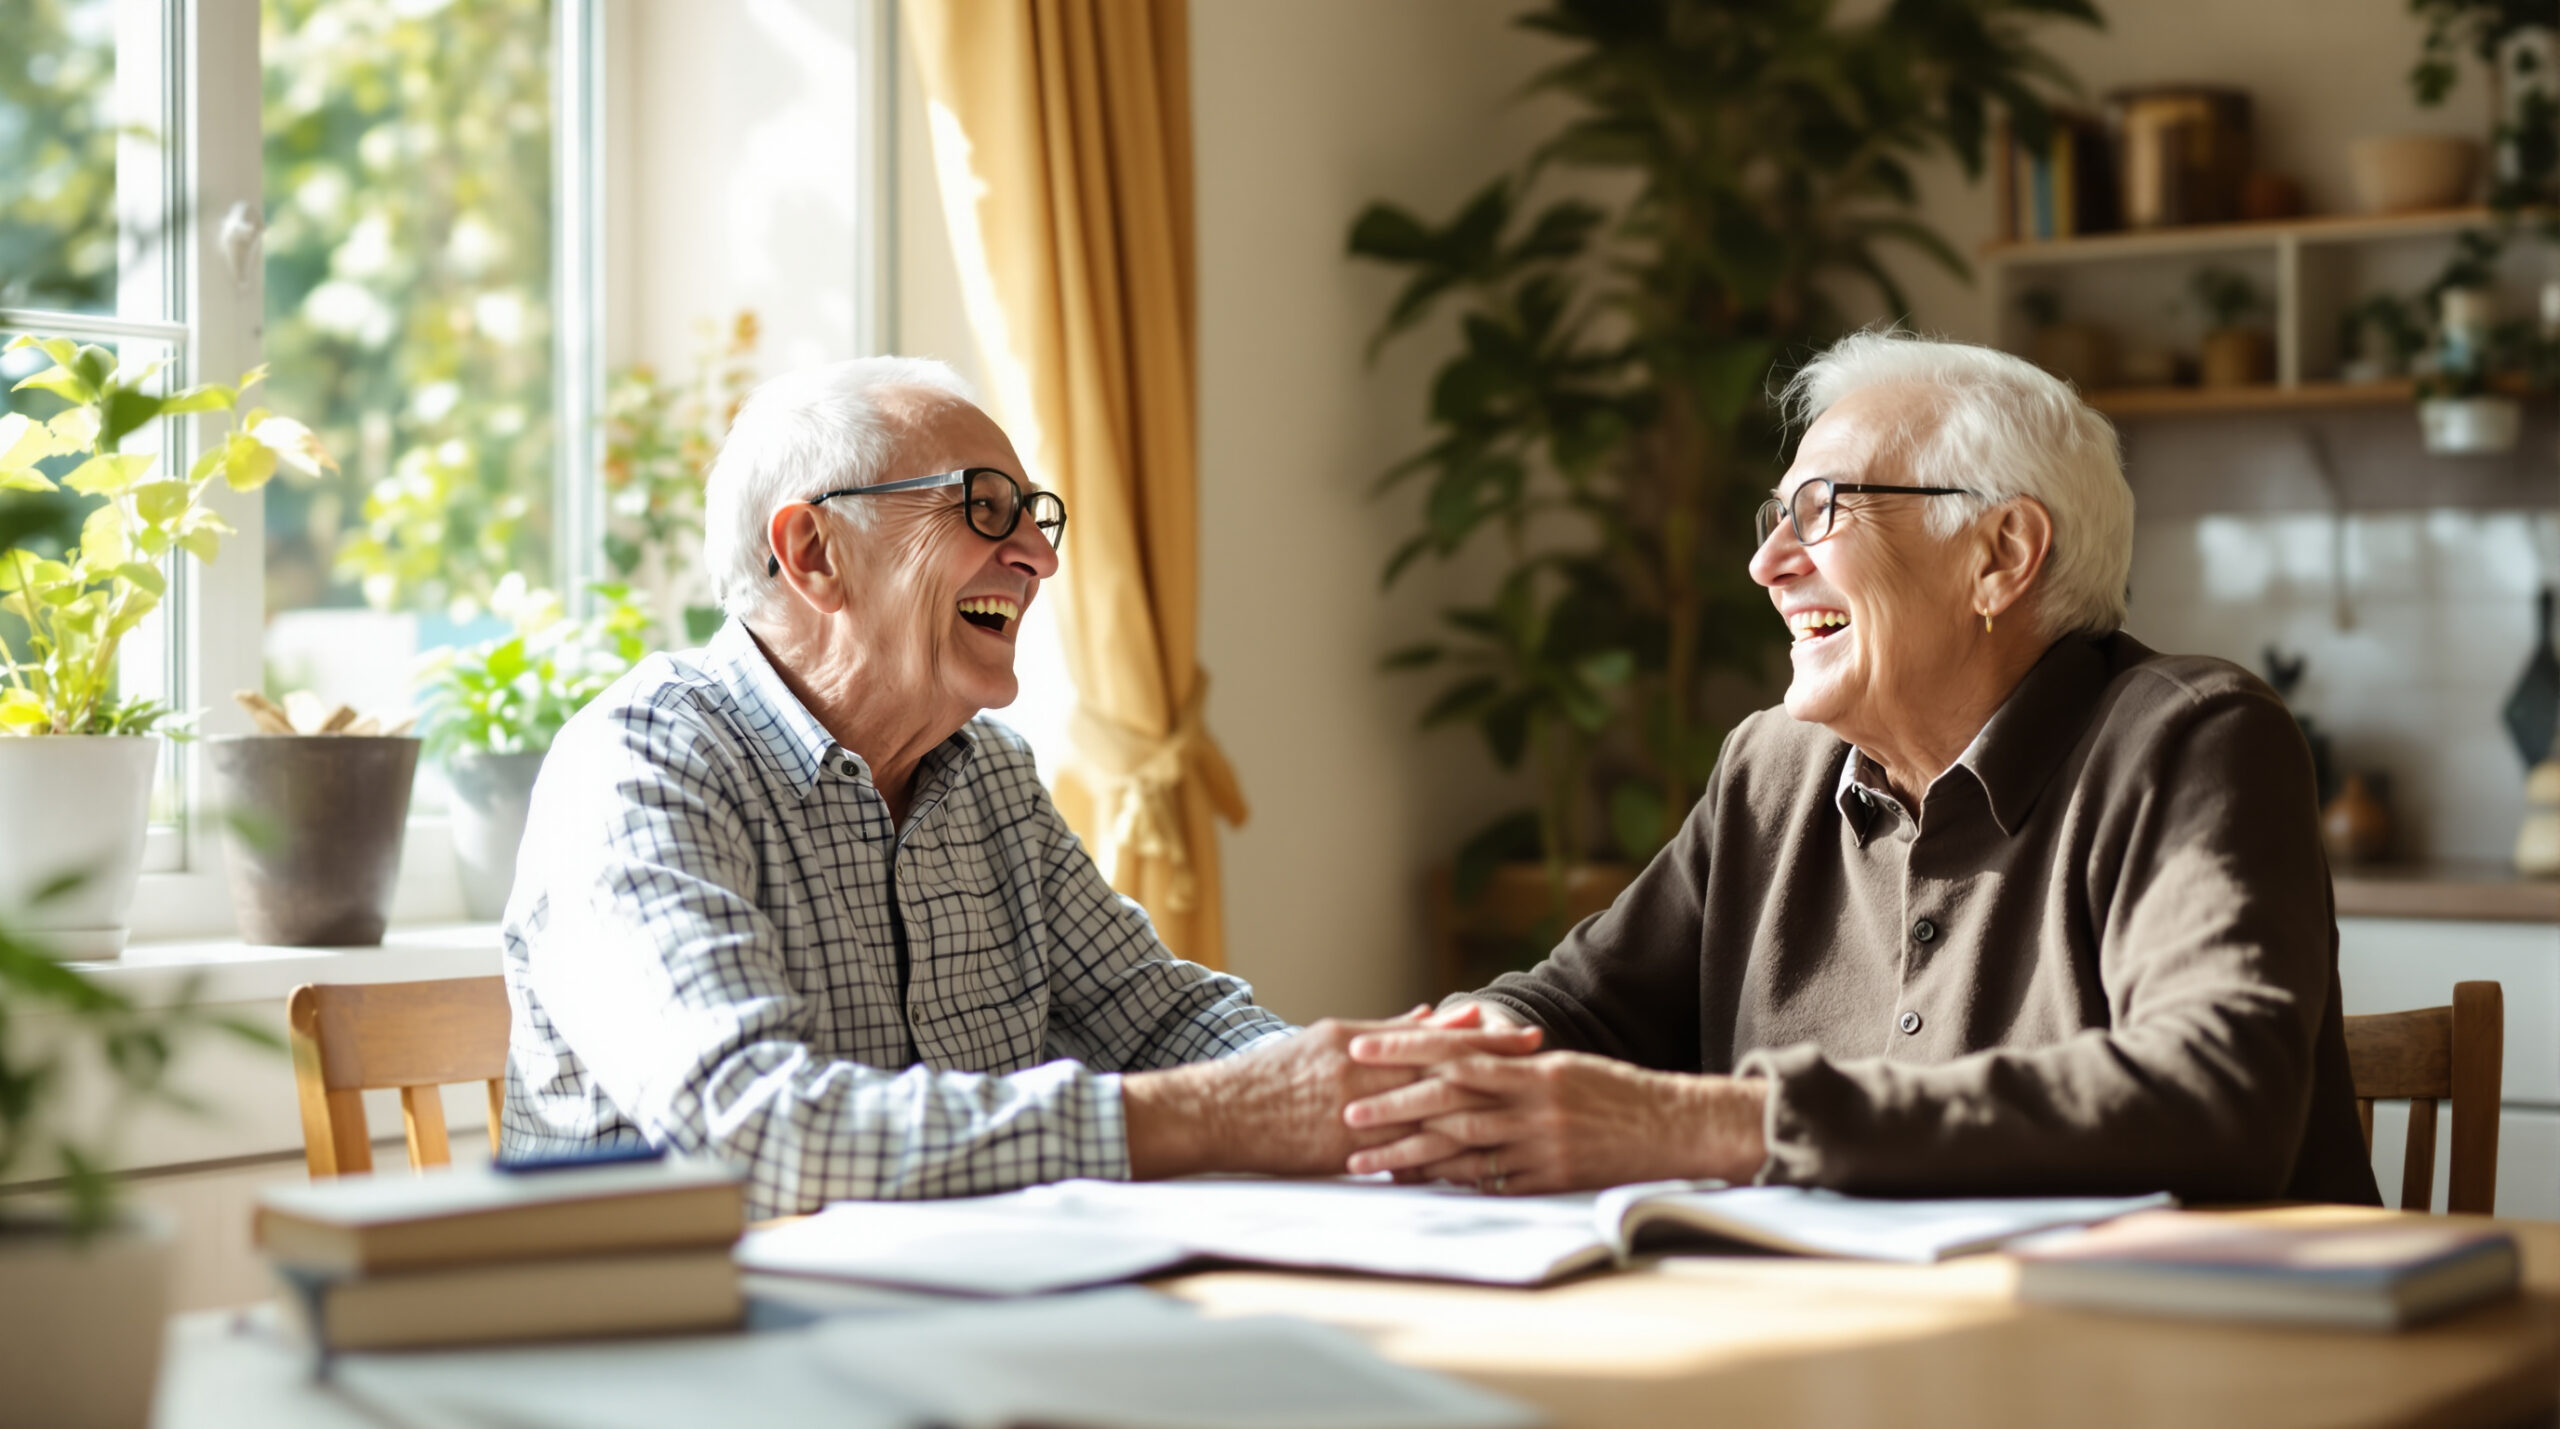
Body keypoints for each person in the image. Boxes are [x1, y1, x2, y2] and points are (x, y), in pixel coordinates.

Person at [1341, 331, 2382, 1207]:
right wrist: (1461, 1053)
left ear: (2001, 555)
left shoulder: (2193, 740)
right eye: (1774, 517)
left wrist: (1719, 1123)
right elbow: (1580, 1005)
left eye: (1822, 510)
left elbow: (2214, 1101)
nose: (1767, 564)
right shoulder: (1773, 767)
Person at [500, 356, 1531, 1217]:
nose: (1037, 554)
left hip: (948, 1327)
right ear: (813, 552)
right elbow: (754, 1132)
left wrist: (1374, 1097)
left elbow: (1155, 1019)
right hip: (670, 1365)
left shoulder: (985, 776)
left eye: (1037, 516)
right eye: (985, 509)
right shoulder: (641, 765)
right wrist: (1226, 1113)